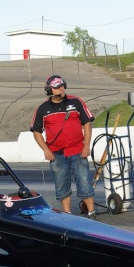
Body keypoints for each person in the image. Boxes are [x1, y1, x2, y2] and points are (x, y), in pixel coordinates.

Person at [30, 75, 97, 218]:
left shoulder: (76, 101)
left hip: (78, 151)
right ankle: (67, 214)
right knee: (61, 184)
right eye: (57, 87)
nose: (61, 88)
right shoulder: (42, 108)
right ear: (49, 89)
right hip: (56, 154)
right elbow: (36, 131)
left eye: (62, 85)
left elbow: (87, 123)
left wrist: (86, 145)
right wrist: (46, 150)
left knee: (84, 181)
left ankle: (92, 212)